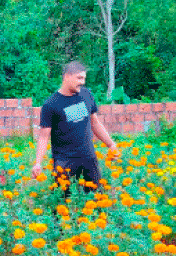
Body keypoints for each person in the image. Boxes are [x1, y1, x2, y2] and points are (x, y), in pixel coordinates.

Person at [31, 61, 118, 198]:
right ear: (66, 76)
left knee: (97, 199)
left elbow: (95, 123)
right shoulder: (51, 104)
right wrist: (37, 163)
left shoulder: (86, 95)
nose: (82, 82)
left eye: (84, 78)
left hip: (89, 158)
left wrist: (111, 144)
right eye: (79, 78)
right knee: (64, 204)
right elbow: (43, 136)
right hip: (64, 163)